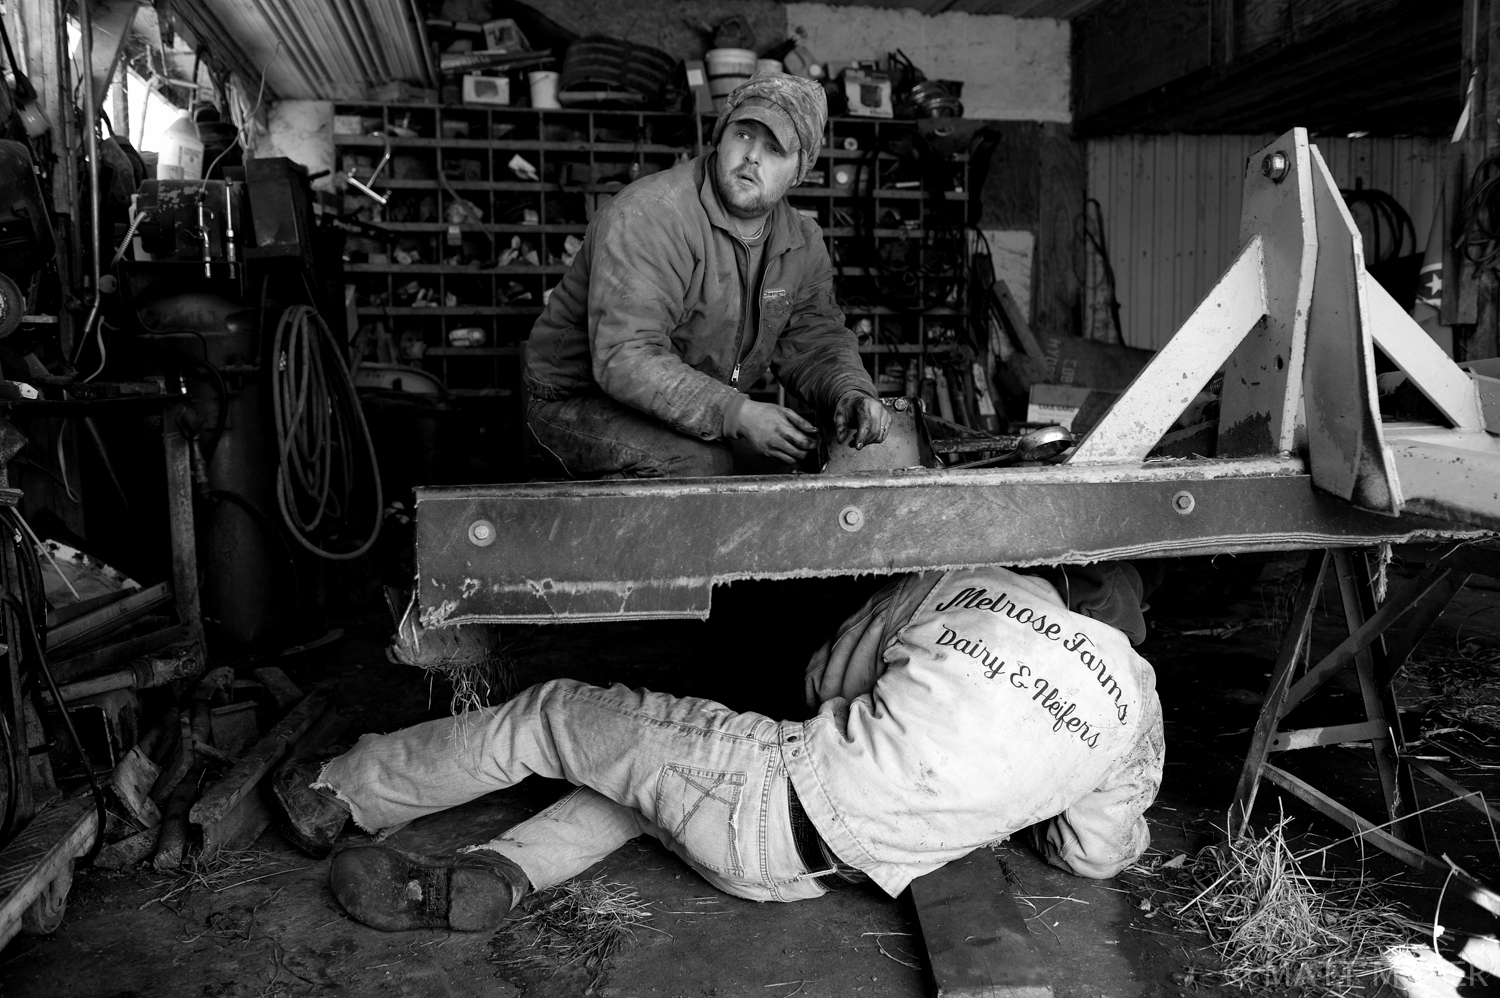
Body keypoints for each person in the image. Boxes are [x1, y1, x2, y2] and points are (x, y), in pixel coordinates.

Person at [275, 563, 1164, 931]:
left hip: (761, 786)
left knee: (550, 715)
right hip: (797, 877)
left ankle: (340, 791)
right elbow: (1094, 855)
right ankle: (490, 878)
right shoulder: (1137, 704)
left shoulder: (979, 582)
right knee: (639, 785)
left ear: (1063, 575)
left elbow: (824, 681)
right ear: (1132, 626)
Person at [522, 72, 890, 479]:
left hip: (686, 406)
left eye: (774, 148)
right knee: (698, 465)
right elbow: (626, 357)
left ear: (799, 170)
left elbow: (814, 339)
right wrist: (737, 412)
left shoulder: (800, 243)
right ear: (721, 135)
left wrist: (849, 392)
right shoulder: (652, 215)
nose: (753, 156)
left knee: (804, 463)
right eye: (744, 135)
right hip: (574, 401)